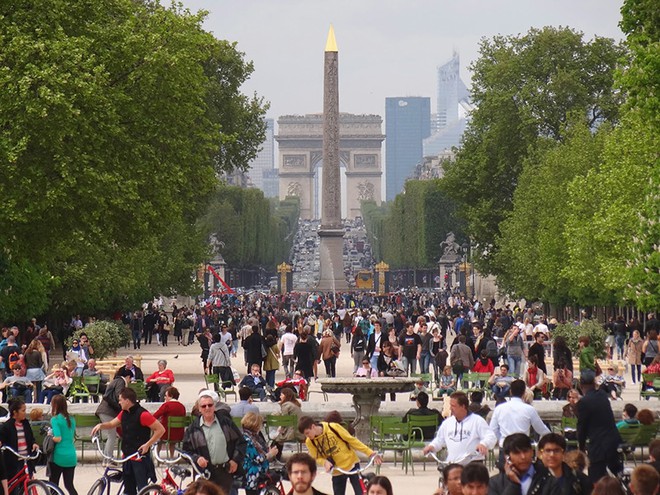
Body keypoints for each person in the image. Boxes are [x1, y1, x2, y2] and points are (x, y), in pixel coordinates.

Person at [91, 387, 165, 495]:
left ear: (127, 400)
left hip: (139, 458)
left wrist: (148, 444)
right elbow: (112, 423)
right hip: (127, 456)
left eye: (120, 399)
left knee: (142, 489)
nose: (119, 402)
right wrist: (100, 425)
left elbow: (160, 429)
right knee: (128, 488)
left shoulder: (143, 414)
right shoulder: (124, 413)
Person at [182, 390, 247, 495]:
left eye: (210, 405)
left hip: (224, 472)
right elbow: (185, 452)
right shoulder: (193, 429)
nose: (207, 408)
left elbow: (241, 443)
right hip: (204, 473)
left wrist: (235, 460)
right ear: (199, 409)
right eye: (204, 406)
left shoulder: (226, 423)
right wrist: (197, 458)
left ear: (214, 406)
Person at [298, 416, 382, 495]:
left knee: (361, 492)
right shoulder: (310, 442)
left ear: (313, 426)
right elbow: (316, 457)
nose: (307, 436)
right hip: (337, 470)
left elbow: (352, 441)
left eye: (307, 433)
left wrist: (370, 453)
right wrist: (324, 462)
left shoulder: (333, 427)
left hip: (351, 464)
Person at [489, 379, 550, 469]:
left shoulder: (499, 408)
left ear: (510, 391)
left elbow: (493, 429)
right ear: (524, 392)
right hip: (523, 449)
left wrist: (502, 439)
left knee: (504, 480)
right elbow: (541, 429)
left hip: (506, 447)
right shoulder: (529, 409)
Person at [423, 391, 496, 464]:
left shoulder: (477, 421)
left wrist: (484, 444)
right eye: (450, 406)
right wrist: (432, 446)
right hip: (453, 463)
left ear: (463, 406)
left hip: (473, 464)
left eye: (453, 406)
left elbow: (491, 437)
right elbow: (439, 440)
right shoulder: (447, 423)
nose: (451, 409)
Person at [577, 370, 623, 485]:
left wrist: (581, 448)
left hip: (599, 446)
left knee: (596, 481)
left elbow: (582, 427)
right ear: (594, 384)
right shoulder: (602, 396)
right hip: (613, 441)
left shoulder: (583, 402)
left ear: (581, 386)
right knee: (616, 477)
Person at [488, 433, 557, 495]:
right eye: (517, 453)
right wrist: (513, 484)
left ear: (532, 452)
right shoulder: (494, 483)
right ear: (507, 457)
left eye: (525, 451)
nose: (523, 457)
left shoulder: (548, 478)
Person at [95, 368, 132, 461]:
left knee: (111, 435)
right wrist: (121, 406)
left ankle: (107, 458)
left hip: (103, 410)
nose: (130, 381)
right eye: (130, 379)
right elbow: (118, 395)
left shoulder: (115, 380)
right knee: (111, 435)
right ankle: (108, 459)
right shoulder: (121, 382)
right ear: (127, 377)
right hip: (108, 411)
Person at [0, 398, 38, 486]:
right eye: (23, 410)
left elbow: (31, 437)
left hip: (26, 459)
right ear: (15, 412)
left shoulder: (26, 423)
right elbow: (2, 438)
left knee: (28, 483)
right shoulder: (7, 426)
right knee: (14, 485)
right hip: (13, 461)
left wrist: (34, 443)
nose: (25, 412)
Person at [241, 412, 278, 495]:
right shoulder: (247, 439)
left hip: (258, 474)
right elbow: (257, 458)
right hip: (252, 476)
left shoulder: (253, 437)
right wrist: (270, 454)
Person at [49, 394, 78, 495]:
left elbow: (58, 438)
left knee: (53, 485)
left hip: (59, 456)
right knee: (69, 485)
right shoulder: (72, 419)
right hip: (71, 456)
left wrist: (49, 436)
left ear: (55, 405)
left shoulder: (55, 419)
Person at [271, 387, 304, 460]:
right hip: (299, 431)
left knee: (276, 439)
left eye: (281, 395)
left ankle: (275, 457)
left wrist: (280, 429)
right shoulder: (295, 404)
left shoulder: (286, 405)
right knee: (278, 437)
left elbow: (284, 420)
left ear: (285, 396)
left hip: (293, 432)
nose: (280, 396)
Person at [153, 386, 187, 457]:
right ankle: (172, 456)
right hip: (179, 434)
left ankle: (157, 456)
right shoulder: (182, 407)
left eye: (166, 396)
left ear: (171, 396)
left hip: (166, 434)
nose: (164, 398)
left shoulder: (166, 405)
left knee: (158, 436)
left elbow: (155, 416)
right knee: (172, 440)